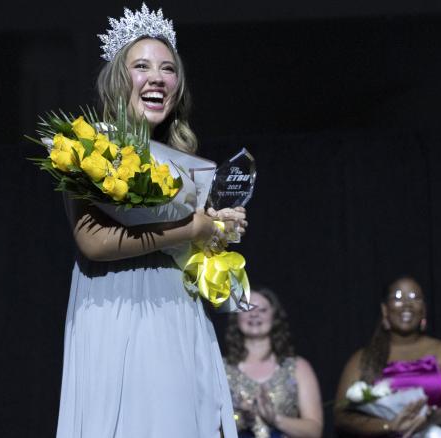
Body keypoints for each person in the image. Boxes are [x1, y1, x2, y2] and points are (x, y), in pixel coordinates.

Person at [55, 4, 248, 438]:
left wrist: (217, 232)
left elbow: (196, 249)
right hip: (116, 305)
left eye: (168, 69)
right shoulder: (88, 146)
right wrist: (191, 229)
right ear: (118, 80)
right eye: (141, 66)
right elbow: (93, 243)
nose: (157, 77)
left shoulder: (192, 164)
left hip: (174, 307)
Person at [334, 276, 441, 437]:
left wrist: (432, 416)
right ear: (385, 310)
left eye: (415, 297)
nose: (407, 304)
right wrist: (389, 425)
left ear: (424, 309)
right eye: (398, 297)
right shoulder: (363, 357)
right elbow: (341, 416)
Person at [224, 286, 323, 438]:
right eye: (247, 308)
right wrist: (239, 419)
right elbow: (209, 424)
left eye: (262, 310)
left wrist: (275, 419)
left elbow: (314, 429)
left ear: (274, 317)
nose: (254, 314)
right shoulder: (222, 369)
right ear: (236, 316)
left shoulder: (297, 367)